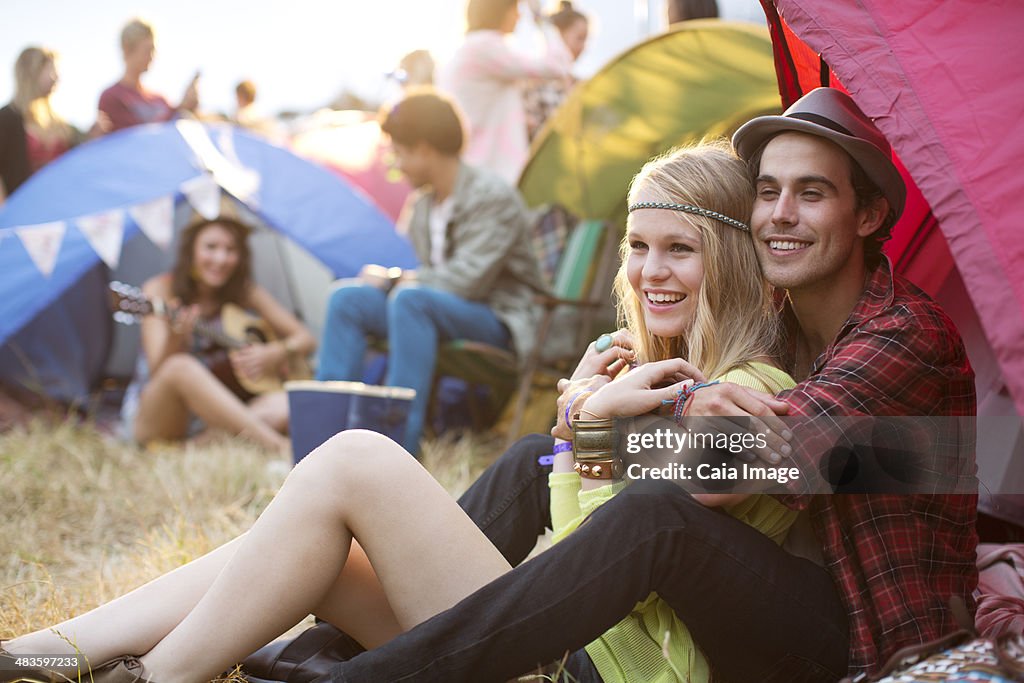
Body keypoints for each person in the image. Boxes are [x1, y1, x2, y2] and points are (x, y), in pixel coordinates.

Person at [0, 139, 791, 683]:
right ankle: (50, 651)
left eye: (678, 248)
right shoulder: (655, 372)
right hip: (560, 639)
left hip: (591, 667)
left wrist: (587, 427)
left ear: (723, 257)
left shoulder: (743, 388)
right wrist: (582, 425)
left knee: (355, 460)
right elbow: (584, 532)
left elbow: (618, 555)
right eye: (638, 246)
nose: (651, 270)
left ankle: (155, 673)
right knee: (310, 544)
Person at [293, 88, 975, 682]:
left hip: (861, 639)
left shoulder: (901, 335)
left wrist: (598, 423)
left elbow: (726, 468)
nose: (781, 213)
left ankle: (373, 675)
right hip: (771, 591)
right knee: (536, 457)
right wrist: (590, 424)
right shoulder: (790, 322)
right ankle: (329, 647)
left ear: (868, 215)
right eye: (768, 191)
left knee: (651, 514)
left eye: (813, 192)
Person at [315, 89, 542, 455]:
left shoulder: (491, 195)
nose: (395, 164)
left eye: (398, 152)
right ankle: (322, 440)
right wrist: (389, 279)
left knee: (410, 300)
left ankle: (395, 448)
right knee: (348, 299)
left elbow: (465, 281)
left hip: (498, 319)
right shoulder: (422, 205)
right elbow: (419, 274)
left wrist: (391, 279)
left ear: (423, 149)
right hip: (433, 312)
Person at [118, 216, 315, 454]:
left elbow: (305, 338)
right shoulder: (159, 290)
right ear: (191, 250)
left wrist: (274, 353)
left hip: (211, 417)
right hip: (157, 413)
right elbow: (159, 372)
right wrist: (175, 338)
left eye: (230, 250)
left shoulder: (244, 291)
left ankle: (189, 450)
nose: (220, 259)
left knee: (285, 404)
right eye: (211, 247)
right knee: (180, 366)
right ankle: (282, 449)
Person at [438, 0, 574, 183]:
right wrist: (541, 18)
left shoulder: (468, 49)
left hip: (477, 172)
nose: (519, 16)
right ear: (499, 11)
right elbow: (558, 66)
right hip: (494, 174)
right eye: (515, 9)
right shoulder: (485, 47)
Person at [0, 46, 107, 205]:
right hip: (23, 212)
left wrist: (91, 138)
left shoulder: (60, 124)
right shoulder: (7, 118)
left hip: (61, 208)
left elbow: (76, 162)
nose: (56, 77)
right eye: (51, 70)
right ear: (31, 72)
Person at [98, 18, 199, 133]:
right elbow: (134, 140)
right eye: (147, 50)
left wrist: (186, 108)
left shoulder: (160, 99)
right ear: (127, 50)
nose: (152, 57)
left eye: (154, 51)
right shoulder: (112, 97)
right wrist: (179, 110)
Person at [522, 1, 590, 141]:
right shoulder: (534, 82)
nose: (584, 46)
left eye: (586, 40)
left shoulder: (582, 84)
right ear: (558, 35)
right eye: (579, 38)